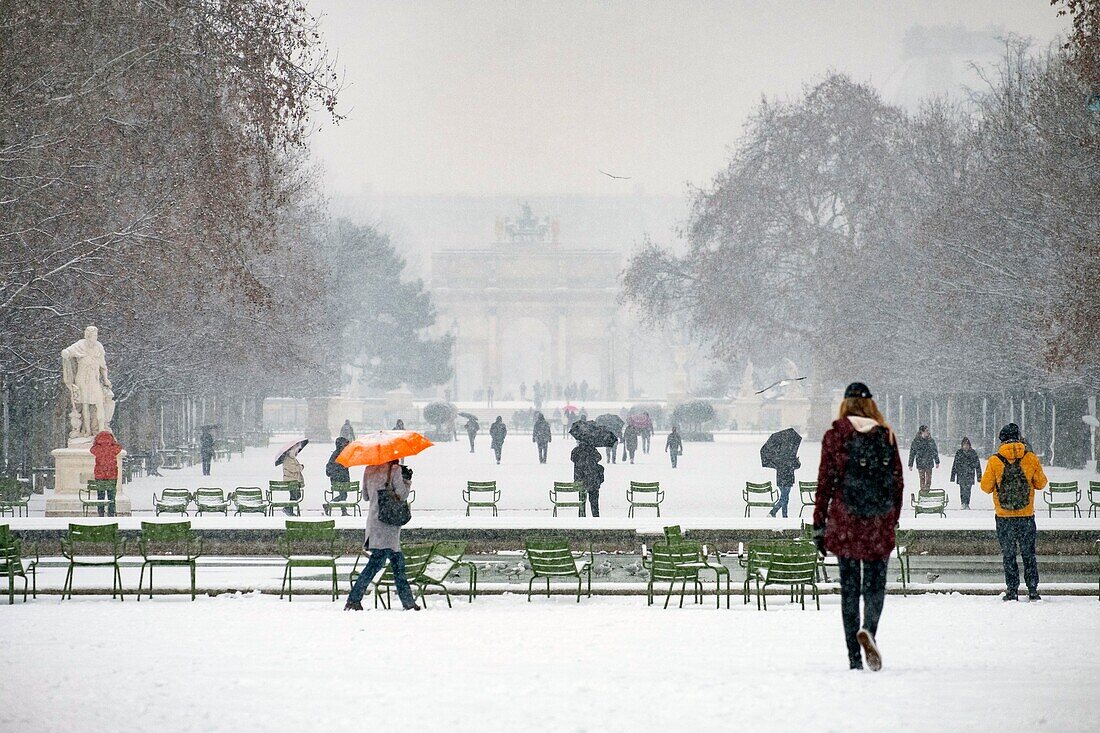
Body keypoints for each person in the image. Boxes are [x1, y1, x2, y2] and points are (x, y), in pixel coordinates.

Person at [813, 382, 903, 671]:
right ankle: (869, 630)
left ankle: (854, 657)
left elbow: (824, 484)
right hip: (878, 522)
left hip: (845, 521)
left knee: (850, 591)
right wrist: (890, 519)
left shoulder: (835, 436)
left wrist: (819, 525)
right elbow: (898, 484)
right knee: (875, 587)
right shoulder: (886, 436)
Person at [980, 423, 1047, 602]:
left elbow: (985, 487)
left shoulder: (995, 460)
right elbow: (1041, 483)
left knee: (1009, 554)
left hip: (1004, 517)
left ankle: (1012, 590)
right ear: (1019, 438)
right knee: (1029, 553)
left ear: (1002, 440)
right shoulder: (1030, 457)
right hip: (1026, 516)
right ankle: (1032, 589)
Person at [344, 460, 420, 611]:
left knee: (396, 563)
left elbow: (365, 496)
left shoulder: (369, 469)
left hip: (374, 522)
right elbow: (402, 495)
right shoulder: (394, 469)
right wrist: (406, 481)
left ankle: (408, 602)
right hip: (389, 525)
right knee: (380, 565)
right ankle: (354, 599)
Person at [90, 430, 122, 516]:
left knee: (100, 497)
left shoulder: (97, 448)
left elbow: (92, 450)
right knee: (111, 497)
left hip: (99, 475)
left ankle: (101, 514)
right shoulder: (113, 448)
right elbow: (119, 448)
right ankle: (111, 514)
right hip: (112, 475)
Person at [570, 442, 604, 517]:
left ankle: (582, 516)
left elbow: (572, 458)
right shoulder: (593, 450)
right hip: (593, 481)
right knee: (594, 503)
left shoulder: (576, 450)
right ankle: (595, 517)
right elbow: (599, 458)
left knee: (582, 502)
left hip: (581, 480)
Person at [950, 437, 982, 510]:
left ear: (969, 445)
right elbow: (955, 464)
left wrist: (979, 477)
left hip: (970, 474)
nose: (966, 446)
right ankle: (963, 503)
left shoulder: (973, 453)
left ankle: (967, 503)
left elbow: (978, 465)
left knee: (968, 489)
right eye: (964, 445)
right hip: (961, 474)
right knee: (962, 489)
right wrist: (953, 476)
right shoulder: (959, 452)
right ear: (962, 445)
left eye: (967, 445)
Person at [908, 425, 939, 492]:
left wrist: (937, 461)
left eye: (928, 430)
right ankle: (922, 490)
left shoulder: (931, 440)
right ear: (922, 432)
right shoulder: (916, 441)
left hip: (929, 462)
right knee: (922, 478)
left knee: (928, 479)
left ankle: (927, 490)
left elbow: (934, 451)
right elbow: (912, 453)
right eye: (926, 431)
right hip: (920, 462)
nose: (928, 432)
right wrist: (910, 464)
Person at [326, 436, 351, 516]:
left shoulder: (338, 454)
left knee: (343, 495)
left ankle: (343, 511)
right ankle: (329, 505)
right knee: (343, 495)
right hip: (339, 479)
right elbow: (335, 467)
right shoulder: (338, 454)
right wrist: (342, 467)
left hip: (340, 478)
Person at [281, 445, 305, 517]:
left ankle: (288, 509)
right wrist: (301, 467)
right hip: (291, 480)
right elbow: (293, 469)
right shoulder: (288, 459)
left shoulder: (292, 458)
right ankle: (288, 509)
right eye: (297, 450)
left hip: (293, 480)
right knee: (294, 495)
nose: (297, 452)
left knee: (295, 495)